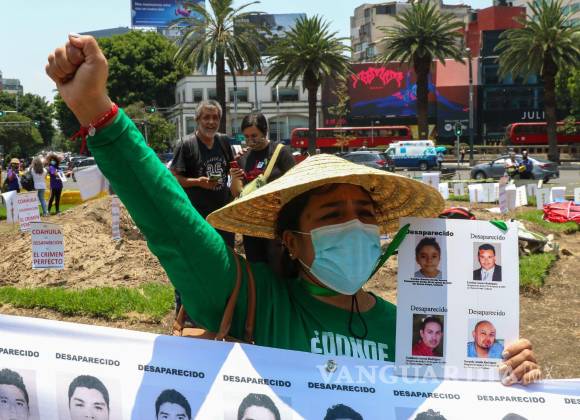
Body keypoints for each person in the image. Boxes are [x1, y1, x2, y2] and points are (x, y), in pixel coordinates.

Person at [45, 34, 542, 385]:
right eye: (330, 215)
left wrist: (512, 375)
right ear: (290, 241)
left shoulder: (413, 328)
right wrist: (98, 113)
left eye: (365, 214)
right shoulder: (254, 299)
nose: (354, 225)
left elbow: (464, 394)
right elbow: (172, 224)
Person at [169, 99, 235, 321]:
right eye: (206, 117)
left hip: (222, 216)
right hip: (195, 218)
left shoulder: (224, 142)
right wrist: (197, 182)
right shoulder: (186, 145)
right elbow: (174, 178)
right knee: (191, 264)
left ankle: (220, 313)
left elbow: (232, 171)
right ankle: (185, 315)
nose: (211, 122)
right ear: (197, 120)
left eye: (215, 117)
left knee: (223, 264)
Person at [230, 112, 295, 263]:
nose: (250, 140)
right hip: (252, 224)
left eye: (254, 135)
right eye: (246, 137)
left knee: (279, 264)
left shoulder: (281, 152)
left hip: (276, 223)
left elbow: (295, 184)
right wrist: (234, 176)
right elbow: (237, 193)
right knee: (256, 266)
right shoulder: (243, 157)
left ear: (264, 132)